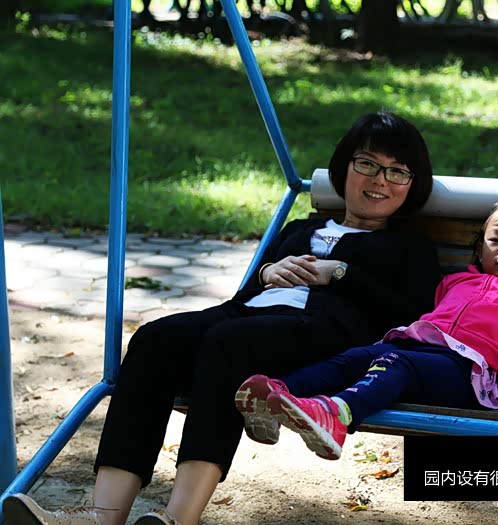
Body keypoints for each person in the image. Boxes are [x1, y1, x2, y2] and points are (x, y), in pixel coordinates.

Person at [3, 112, 441, 525]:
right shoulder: (300, 230)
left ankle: (179, 516)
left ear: (412, 185)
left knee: (230, 344)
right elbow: (246, 296)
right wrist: (268, 273)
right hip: (248, 318)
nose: (380, 180)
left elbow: (413, 314)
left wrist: (340, 273)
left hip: (323, 336)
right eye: (367, 164)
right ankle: (104, 515)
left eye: (397, 172)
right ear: (344, 168)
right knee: (155, 338)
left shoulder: (409, 247)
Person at [234, 196, 498, 461]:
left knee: (395, 363)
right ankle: (276, 396)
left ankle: (337, 415)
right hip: (417, 350)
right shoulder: (454, 282)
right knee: (355, 357)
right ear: (481, 248)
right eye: (495, 240)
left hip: (468, 372)